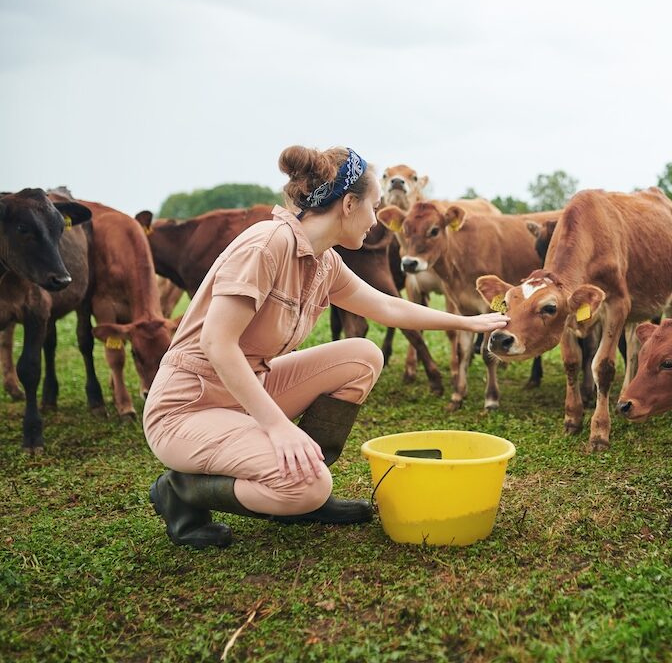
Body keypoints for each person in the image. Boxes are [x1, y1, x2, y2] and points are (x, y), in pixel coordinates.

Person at [142, 145, 508, 549]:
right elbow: (217, 343)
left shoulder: (322, 260)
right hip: (190, 406)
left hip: (246, 391)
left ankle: (299, 489)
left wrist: (466, 321)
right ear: (349, 204)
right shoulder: (266, 245)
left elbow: (385, 305)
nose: (376, 221)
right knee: (309, 487)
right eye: (374, 207)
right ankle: (182, 492)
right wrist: (277, 427)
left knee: (362, 356)